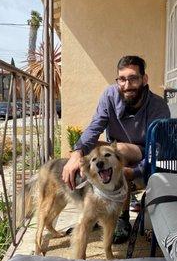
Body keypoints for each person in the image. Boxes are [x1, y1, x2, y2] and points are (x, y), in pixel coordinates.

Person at [62, 55, 170, 243]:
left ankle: (122, 218)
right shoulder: (110, 95)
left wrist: (134, 171)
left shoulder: (158, 106)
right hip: (117, 153)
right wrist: (76, 153)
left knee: (117, 151)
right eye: (122, 79)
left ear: (144, 79)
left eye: (133, 78)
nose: (127, 85)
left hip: (144, 154)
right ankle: (93, 210)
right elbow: (95, 127)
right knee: (91, 154)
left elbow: (158, 149)